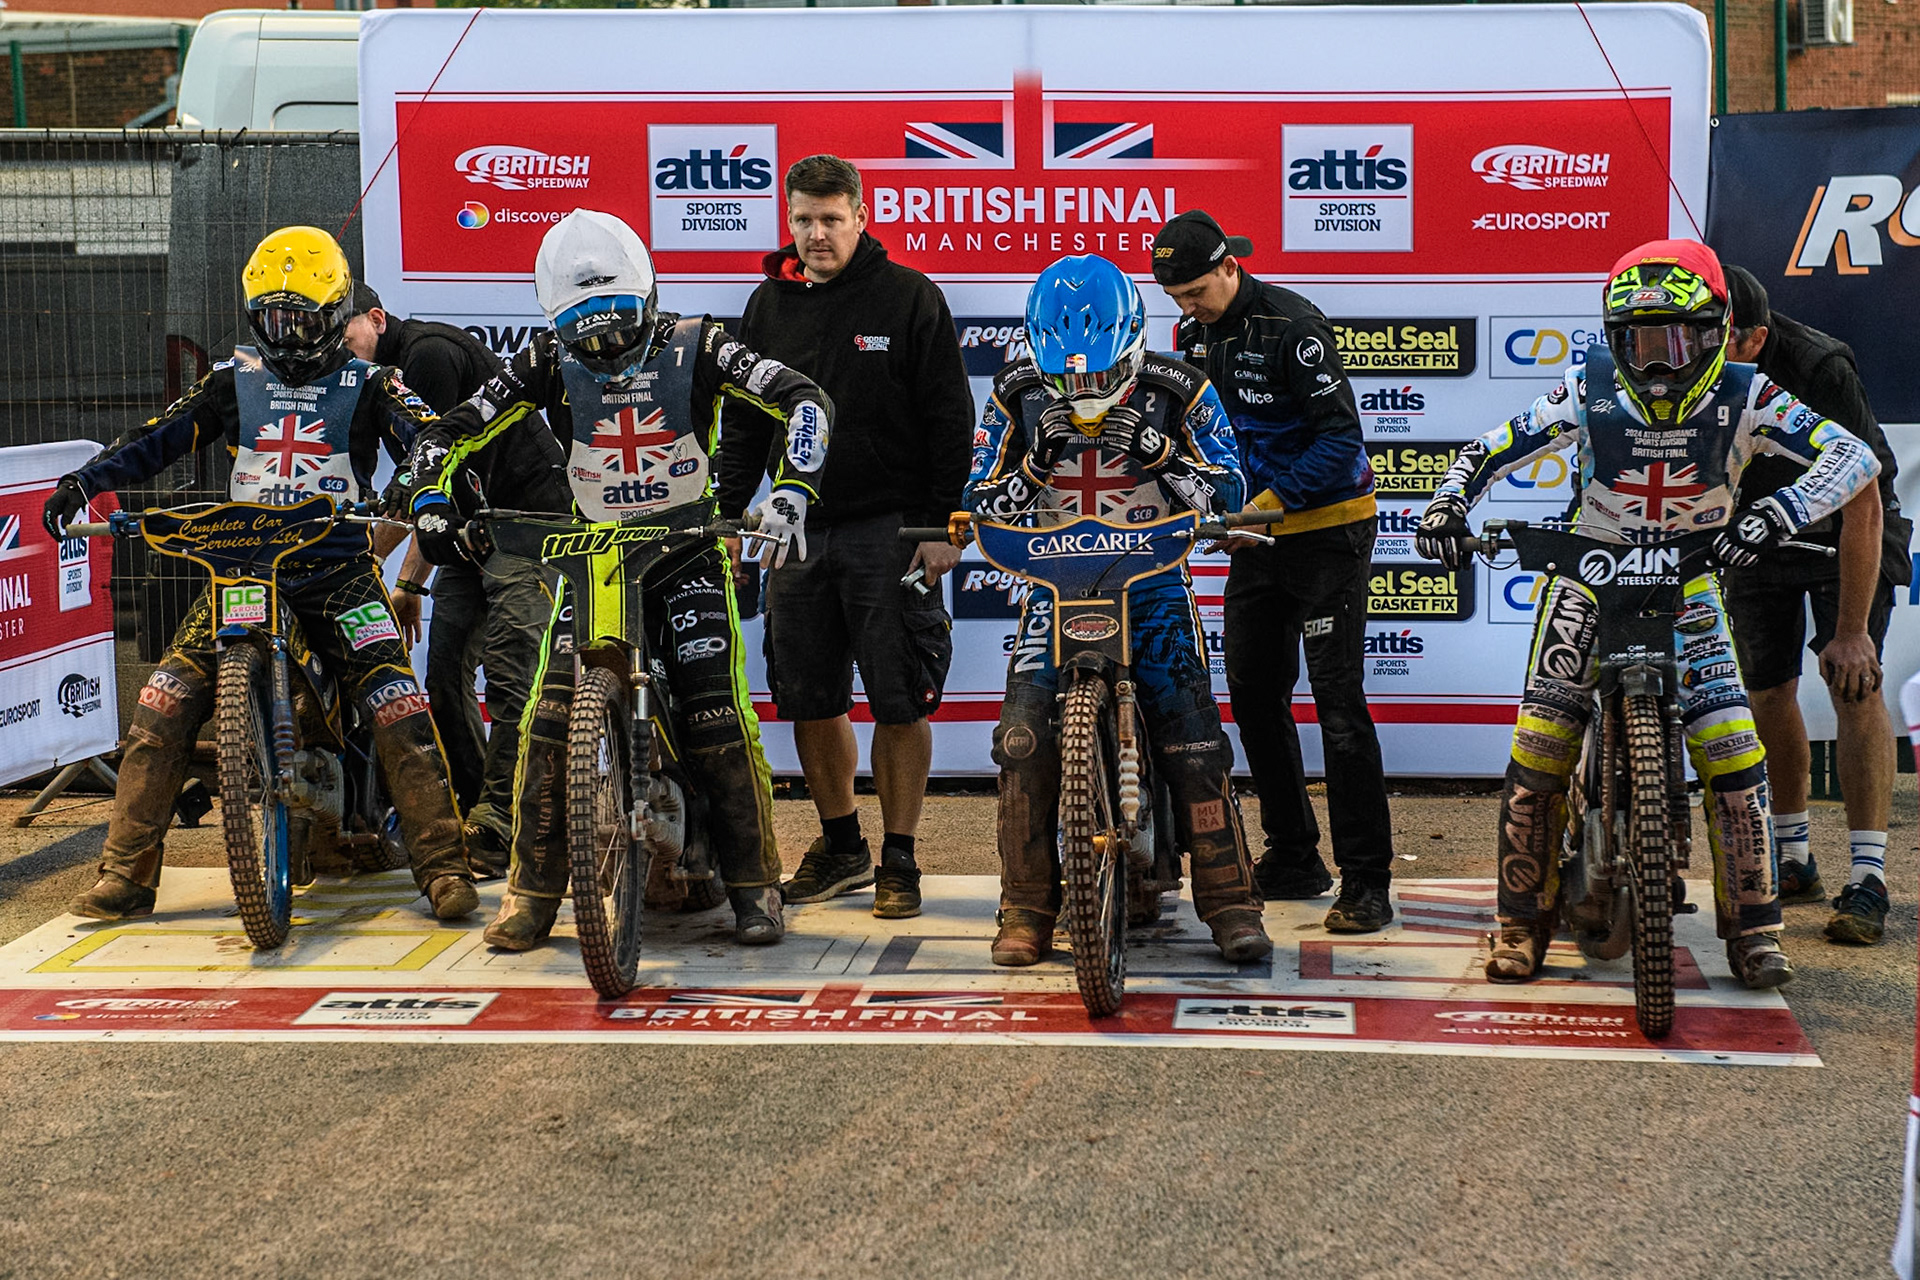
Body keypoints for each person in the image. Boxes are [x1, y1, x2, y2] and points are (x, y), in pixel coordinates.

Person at [1415, 239, 1881, 989]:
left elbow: (1854, 458)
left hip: (1689, 582)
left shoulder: (1750, 392)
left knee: (1733, 749)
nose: (1659, 361)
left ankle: (1756, 932)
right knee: (1541, 743)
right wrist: (1446, 503)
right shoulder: (1586, 386)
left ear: (1715, 332)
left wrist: (1777, 512)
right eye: (1638, 341)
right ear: (1612, 338)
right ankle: (1520, 922)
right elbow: (1487, 449)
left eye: (1679, 339)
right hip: (1589, 579)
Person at [406, 208, 833, 948]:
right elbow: (445, 431)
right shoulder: (543, 359)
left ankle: (754, 888)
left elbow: (805, 397)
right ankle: (532, 895)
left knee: (715, 716)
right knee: (548, 719)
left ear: (651, 295)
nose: (602, 344)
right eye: (584, 328)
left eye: (617, 320)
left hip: (687, 547)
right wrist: (429, 500)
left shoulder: (703, 341)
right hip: (595, 556)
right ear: (555, 320)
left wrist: (793, 490)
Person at [42, 225, 478, 922]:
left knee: (399, 704)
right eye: (273, 317)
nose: (288, 331)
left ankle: (444, 868)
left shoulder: (375, 382)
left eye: (303, 317)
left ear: (337, 314)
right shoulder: (229, 379)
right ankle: (126, 871)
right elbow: (157, 437)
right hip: (239, 569)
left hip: (338, 570)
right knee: (160, 701)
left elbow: (428, 439)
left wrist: (425, 496)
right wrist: (84, 481)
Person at [964, 254, 1270, 966]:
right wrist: (1034, 468)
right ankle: (1028, 907)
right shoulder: (1013, 390)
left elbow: (1230, 496)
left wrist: (1162, 453)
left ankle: (1230, 903)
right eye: (1067, 380)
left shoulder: (1180, 386)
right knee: (1021, 741)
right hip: (1052, 584)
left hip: (1154, 581)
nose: (1084, 392)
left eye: (1100, 378)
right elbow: (979, 501)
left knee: (1193, 741)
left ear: (1134, 344)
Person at [717, 154, 973, 920]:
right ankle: (841, 845)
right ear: (788, 220)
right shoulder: (766, 306)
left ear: (861, 215)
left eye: (831, 218)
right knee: (808, 698)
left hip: (891, 531)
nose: (816, 234)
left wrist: (936, 528)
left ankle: (900, 857)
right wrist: (732, 516)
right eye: (803, 219)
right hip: (793, 536)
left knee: (899, 703)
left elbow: (950, 423)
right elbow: (741, 425)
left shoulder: (909, 298)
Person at [1150, 210, 1397, 934]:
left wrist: (1266, 504)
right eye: (1175, 299)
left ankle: (1368, 881)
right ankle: (1293, 855)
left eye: (1196, 290)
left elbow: (1342, 441)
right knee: (1255, 696)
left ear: (1230, 267)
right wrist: (1218, 506)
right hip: (1257, 540)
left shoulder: (1293, 326)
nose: (1187, 308)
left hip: (1327, 537)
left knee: (1339, 708)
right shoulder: (1192, 339)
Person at [345, 284, 566, 879]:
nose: (343, 352)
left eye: (348, 337)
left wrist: (375, 572)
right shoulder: (367, 380)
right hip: (466, 531)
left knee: (511, 669)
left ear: (375, 318)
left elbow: (427, 470)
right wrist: (410, 584)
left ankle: (507, 817)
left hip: (529, 522)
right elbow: (418, 492)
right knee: (442, 675)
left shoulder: (426, 356)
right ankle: (479, 812)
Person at [1718, 265, 1907, 946]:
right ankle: (1794, 857)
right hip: (1757, 528)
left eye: (1714, 341)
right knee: (1767, 693)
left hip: (1848, 527)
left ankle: (1869, 878)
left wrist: (1853, 631)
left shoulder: (1816, 364)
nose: (1692, 357)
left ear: (1753, 338)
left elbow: (1864, 495)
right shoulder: (1679, 363)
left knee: (1853, 682)